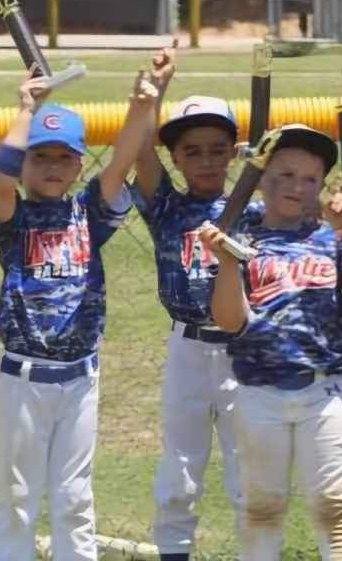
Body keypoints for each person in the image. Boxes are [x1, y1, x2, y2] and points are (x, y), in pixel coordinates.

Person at [197, 124, 342, 561]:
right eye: (285, 174)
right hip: (257, 391)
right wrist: (228, 264)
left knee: (333, 504)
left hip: (322, 390)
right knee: (263, 506)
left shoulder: (328, 234)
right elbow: (230, 323)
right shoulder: (238, 234)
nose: (297, 187)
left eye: (310, 179)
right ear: (259, 176)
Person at [0, 68, 159, 561]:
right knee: (17, 498)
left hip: (80, 377)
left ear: (80, 165)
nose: (53, 167)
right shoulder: (10, 219)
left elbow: (121, 163)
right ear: (25, 163)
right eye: (41, 157)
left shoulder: (88, 214)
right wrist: (25, 109)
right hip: (23, 377)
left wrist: (141, 107)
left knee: (74, 498)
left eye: (65, 157)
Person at [129, 51, 250, 561]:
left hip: (246, 349)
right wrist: (152, 95)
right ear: (176, 158)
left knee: (250, 471)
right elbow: (138, 152)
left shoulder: (253, 205)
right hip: (188, 347)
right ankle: (174, 550)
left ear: (234, 153)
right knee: (180, 468)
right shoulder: (168, 206)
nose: (205, 160)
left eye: (218, 149)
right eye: (192, 150)